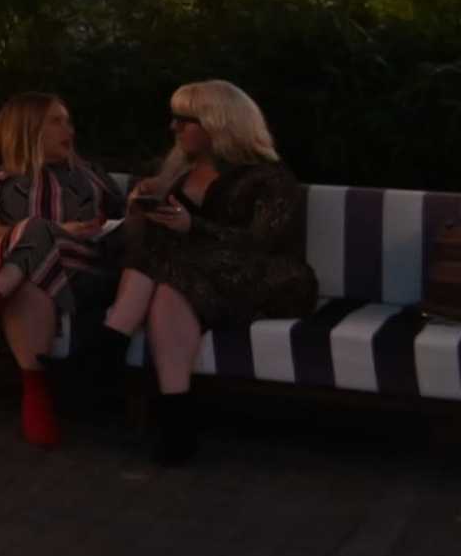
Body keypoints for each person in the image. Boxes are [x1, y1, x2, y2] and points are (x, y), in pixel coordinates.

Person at [100, 80, 315, 467]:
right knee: (168, 285)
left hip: (264, 276)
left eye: (186, 120)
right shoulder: (175, 173)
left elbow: (261, 244)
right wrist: (138, 211)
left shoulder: (270, 178)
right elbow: (137, 242)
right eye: (175, 119)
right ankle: (177, 425)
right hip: (190, 277)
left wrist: (192, 227)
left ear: (218, 123)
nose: (175, 128)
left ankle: (109, 342)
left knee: (173, 268)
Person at [0, 93, 117, 448]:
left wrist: (67, 233)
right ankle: (36, 396)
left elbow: (118, 222)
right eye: (56, 121)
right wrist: (52, 230)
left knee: (34, 232)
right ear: (28, 128)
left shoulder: (89, 175)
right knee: (30, 264)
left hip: (81, 268)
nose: (69, 129)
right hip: (26, 274)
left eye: (68, 120)